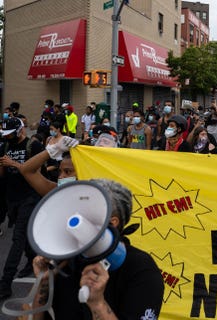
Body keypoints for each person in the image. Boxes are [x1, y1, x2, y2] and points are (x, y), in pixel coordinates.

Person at [26, 179, 165, 319]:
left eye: (83, 215)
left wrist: (97, 303)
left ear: (111, 223)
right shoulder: (64, 261)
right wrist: (42, 282)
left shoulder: (142, 270)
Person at [0, 118, 45, 300]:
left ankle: (5, 282)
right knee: (24, 234)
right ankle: (30, 261)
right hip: (12, 199)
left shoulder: (32, 147)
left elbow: (37, 173)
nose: (8, 137)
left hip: (30, 197)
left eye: (11, 134)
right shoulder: (4, 147)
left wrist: (14, 164)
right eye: (5, 135)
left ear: (19, 131)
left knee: (18, 238)